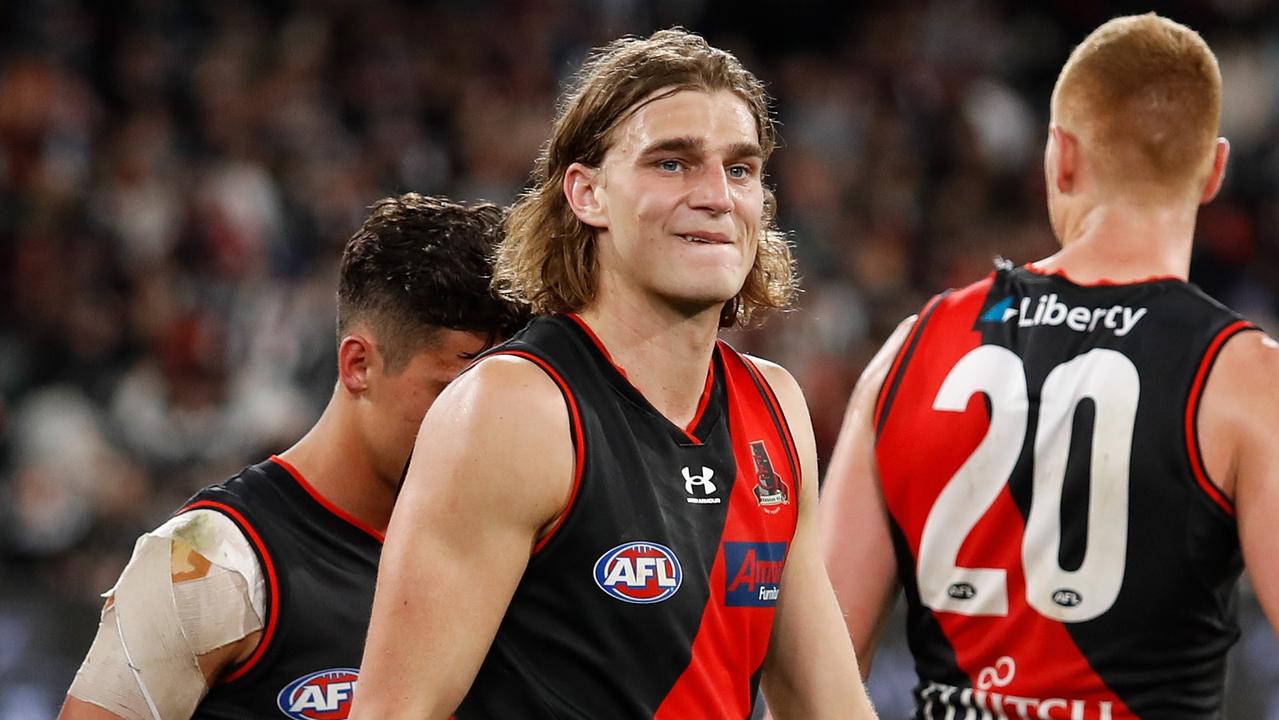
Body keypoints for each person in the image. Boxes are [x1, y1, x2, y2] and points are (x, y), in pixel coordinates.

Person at [351, 29, 877, 720]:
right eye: (672, 164)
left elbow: (825, 705)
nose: (717, 195)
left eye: (740, 169)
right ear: (587, 194)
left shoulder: (772, 405)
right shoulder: (514, 408)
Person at [822, 13, 1279, 719]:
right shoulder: (1242, 378)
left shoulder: (911, 350)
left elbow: (814, 670)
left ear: (1058, 155)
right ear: (1213, 169)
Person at [58, 193, 530, 720]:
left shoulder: (519, 554)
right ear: (358, 365)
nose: (484, 425)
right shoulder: (212, 561)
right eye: (453, 392)